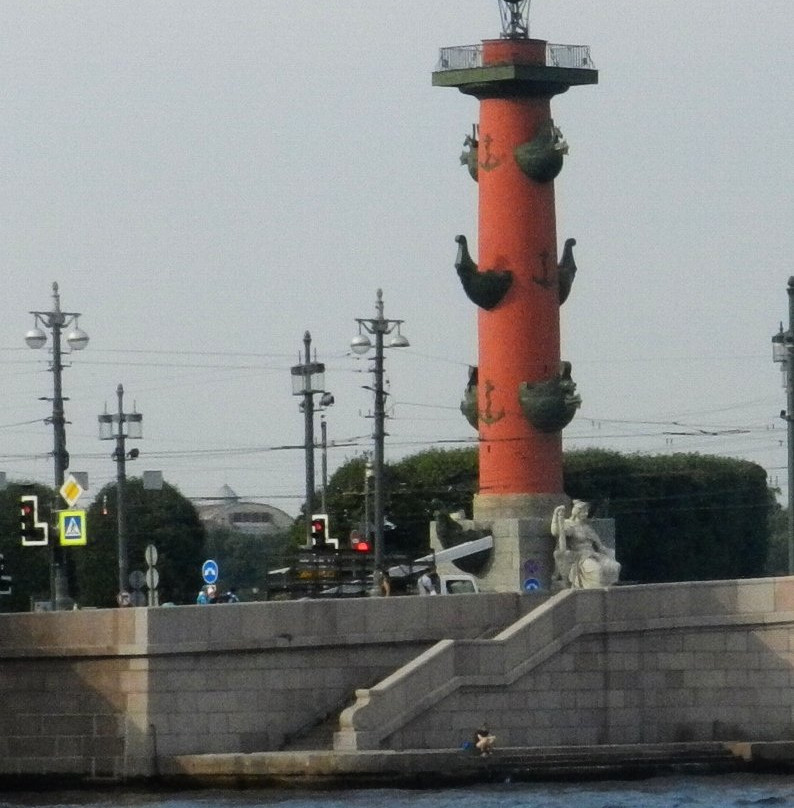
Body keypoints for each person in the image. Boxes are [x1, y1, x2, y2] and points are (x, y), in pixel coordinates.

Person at [551, 500, 621, 589]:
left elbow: (600, 546)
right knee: (596, 569)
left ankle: (607, 591)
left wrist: (610, 553)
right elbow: (555, 531)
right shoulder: (570, 525)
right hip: (580, 557)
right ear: (577, 512)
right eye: (583, 511)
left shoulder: (587, 527)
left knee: (614, 566)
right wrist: (556, 514)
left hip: (593, 554)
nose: (586, 513)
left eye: (587, 511)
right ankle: (595, 592)